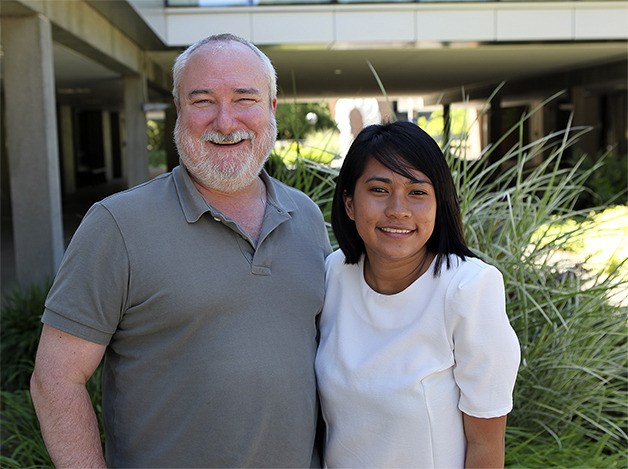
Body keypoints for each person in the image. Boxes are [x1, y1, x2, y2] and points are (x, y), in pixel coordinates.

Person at [30, 33, 332, 468]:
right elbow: (56, 380)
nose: (225, 122)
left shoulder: (305, 216)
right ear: (179, 111)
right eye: (203, 100)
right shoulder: (117, 225)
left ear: (271, 109)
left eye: (244, 99)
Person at [315, 121, 520, 468]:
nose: (399, 209)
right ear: (350, 203)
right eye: (379, 190)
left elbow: (485, 445)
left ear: (439, 204)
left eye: (418, 192)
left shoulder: (468, 290)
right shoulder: (333, 274)